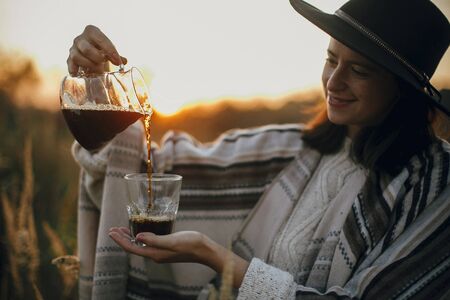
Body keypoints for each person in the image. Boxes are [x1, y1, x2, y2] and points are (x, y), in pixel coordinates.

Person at [68, 0, 450, 299]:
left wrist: (214, 256)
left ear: (403, 89)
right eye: (331, 59)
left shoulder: (434, 188)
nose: (334, 82)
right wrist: (92, 81)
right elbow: (142, 164)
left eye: (360, 70)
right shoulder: (295, 150)